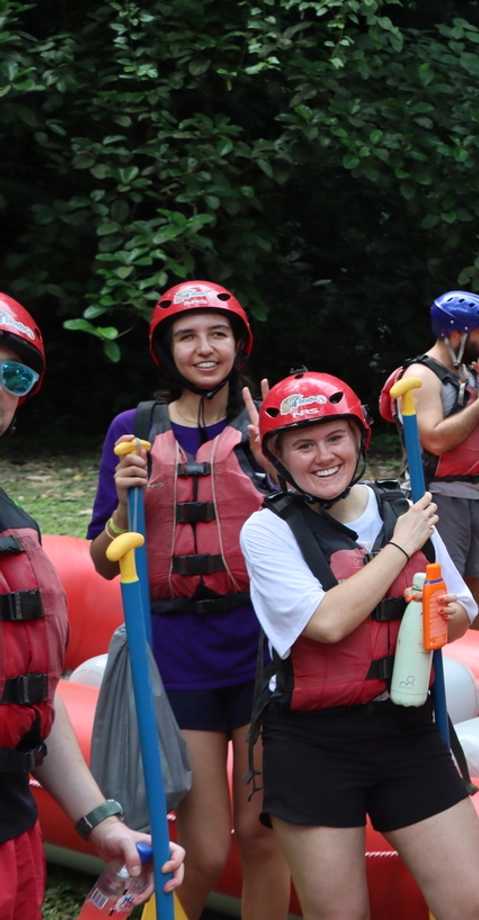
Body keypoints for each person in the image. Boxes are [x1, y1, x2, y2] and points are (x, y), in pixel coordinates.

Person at [239, 371, 479, 919]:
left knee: (474, 905)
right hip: (313, 744)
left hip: (407, 729)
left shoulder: (404, 508)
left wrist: (443, 615)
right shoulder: (266, 530)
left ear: (359, 440)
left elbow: (463, 615)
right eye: (303, 445)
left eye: (335, 438)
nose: (323, 456)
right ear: (279, 457)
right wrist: (400, 546)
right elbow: (327, 623)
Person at [86, 281, 287, 920]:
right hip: (177, 658)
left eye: (218, 334)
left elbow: (317, 537)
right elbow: (101, 559)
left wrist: (277, 472)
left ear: (239, 345)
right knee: (201, 852)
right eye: (188, 337)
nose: (205, 349)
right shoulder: (133, 432)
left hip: (260, 653)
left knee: (263, 835)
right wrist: (125, 506)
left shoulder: (267, 426)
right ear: (166, 351)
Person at [0, 293, 185, 920]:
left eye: (13, 374)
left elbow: (31, 698)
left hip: (12, 831)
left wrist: (101, 821)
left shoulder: (13, 523)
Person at [400, 291, 479, 630]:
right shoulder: (421, 376)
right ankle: (445, 656)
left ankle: (476, 653)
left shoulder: (472, 372)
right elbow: (435, 440)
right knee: (446, 589)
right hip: (437, 496)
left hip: (477, 494)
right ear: (456, 334)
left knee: (475, 586)